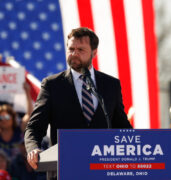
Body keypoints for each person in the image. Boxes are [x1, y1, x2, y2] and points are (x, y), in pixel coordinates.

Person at [24, 27, 133, 169]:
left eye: (81, 50)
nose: (74, 54)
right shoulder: (52, 85)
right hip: (64, 168)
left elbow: (122, 126)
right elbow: (34, 127)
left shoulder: (111, 85)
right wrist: (33, 148)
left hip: (102, 169)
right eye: (71, 49)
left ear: (94, 53)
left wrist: (136, 147)